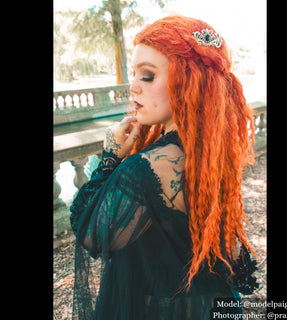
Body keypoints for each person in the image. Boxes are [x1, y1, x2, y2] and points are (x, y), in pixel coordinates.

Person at [70, 15, 259, 320]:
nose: (132, 87)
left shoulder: (142, 170)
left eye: (147, 75)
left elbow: (90, 232)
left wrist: (109, 158)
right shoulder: (210, 153)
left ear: (188, 82)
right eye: (134, 74)